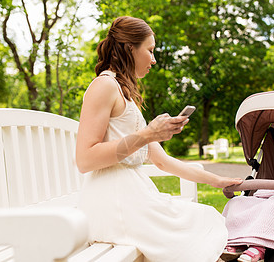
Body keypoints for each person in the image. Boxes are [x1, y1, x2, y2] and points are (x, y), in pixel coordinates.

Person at [76, 16, 243, 262]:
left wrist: (218, 180)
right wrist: (147, 134)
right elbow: (85, 158)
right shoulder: (104, 86)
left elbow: (163, 162)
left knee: (203, 217)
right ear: (130, 48)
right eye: (150, 51)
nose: (154, 59)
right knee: (195, 230)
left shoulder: (125, 93)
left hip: (131, 196)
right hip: (113, 202)